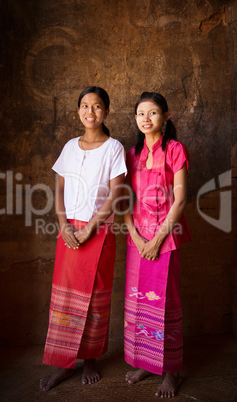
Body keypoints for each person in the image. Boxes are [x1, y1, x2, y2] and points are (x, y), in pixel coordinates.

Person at [40, 86, 127, 391]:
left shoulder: (114, 147)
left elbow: (117, 194)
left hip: (98, 231)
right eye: (85, 106)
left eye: (97, 106)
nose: (90, 112)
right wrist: (63, 226)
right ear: (78, 110)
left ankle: (91, 359)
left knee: (94, 298)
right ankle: (64, 364)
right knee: (65, 298)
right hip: (69, 232)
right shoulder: (69, 147)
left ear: (106, 111)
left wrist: (90, 227)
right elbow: (60, 190)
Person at [122, 92, 191, 398]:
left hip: (166, 236)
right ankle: (147, 363)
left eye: (153, 113)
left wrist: (158, 239)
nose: (146, 118)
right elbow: (122, 199)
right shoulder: (131, 153)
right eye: (141, 113)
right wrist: (138, 239)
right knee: (140, 302)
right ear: (135, 119)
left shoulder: (174, 149)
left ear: (166, 117)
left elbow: (181, 199)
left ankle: (173, 371)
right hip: (137, 237)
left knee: (166, 301)